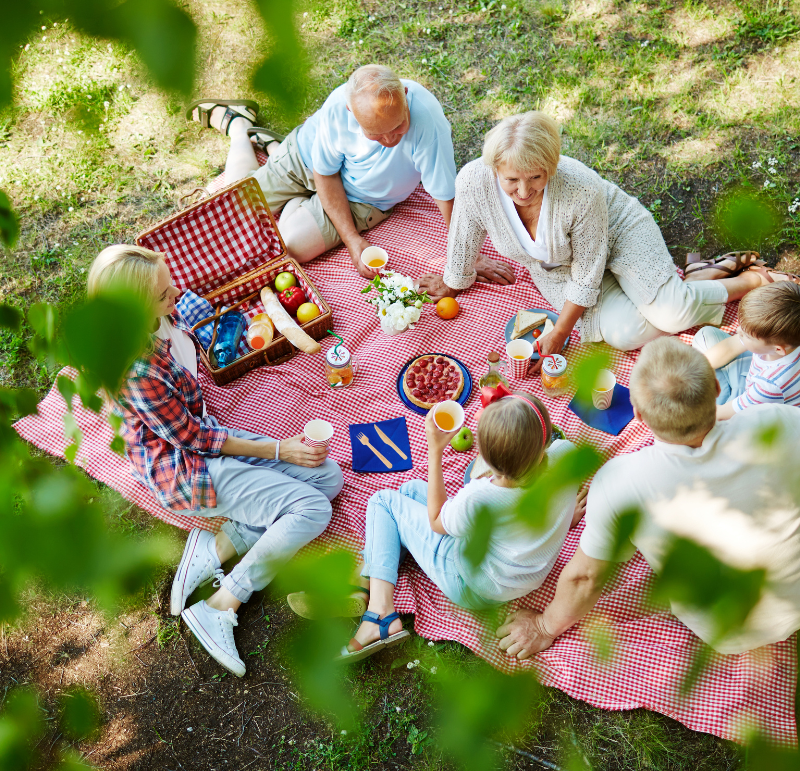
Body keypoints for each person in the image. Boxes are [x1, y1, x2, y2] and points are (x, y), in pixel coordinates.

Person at [87, 245, 343, 677]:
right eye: (164, 294)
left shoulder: (157, 318)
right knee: (313, 508)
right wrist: (280, 449)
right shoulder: (137, 372)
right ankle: (222, 603)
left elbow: (203, 327)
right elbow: (195, 439)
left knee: (328, 477)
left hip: (201, 436)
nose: (176, 295)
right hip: (183, 468)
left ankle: (218, 546)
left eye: (170, 285)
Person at [496, 337, 800, 658]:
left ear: (638, 415)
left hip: (730, 631)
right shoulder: (779, 419)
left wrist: (544, 627)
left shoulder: (620, 482)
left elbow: (586, 578)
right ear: (716, 388)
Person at [417, 111, 795, 359]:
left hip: (620, 232)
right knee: (626, 334)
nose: (524, 190)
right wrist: (453, 282)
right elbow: (463, 238)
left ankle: (750, 281)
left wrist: (561, 330)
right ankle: (691, 281)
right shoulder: (473, 182)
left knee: (672, 311)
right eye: (512, 179)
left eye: (536, 177)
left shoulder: (580, 187)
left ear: (552, 166)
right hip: (560, 268)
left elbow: (588, 272)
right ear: (495, 168)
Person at [188, 66, 511, 281]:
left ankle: (284, 185)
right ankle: (239, 128)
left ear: (405, 95)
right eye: (377, 134)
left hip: (363, 197)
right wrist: (353, 240)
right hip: (305, 158)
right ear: (350, 113)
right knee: (227, 210)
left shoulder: (428, 122)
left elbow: (446, 197)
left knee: (291, 245)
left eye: (399, 126)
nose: (390, 139)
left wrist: (469, 257)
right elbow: (325, 175)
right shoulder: (336, 110)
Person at [338, 388, 584, 664]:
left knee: (383, 502)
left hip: (471, 581)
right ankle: (373, 573)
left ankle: (380, 612)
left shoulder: (480, 496)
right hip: (522, 574)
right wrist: (565, 516)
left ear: (486, 462)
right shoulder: (567, 455)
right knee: (409, 491)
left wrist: (435, 449)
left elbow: (437, 520)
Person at [693, 282, 800, 420]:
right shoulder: (784, 340)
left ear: (778, 349)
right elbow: (730, 347)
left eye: (746, 335)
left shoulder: (771, 384)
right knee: (706, 335)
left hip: (762, 411)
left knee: (710, 414)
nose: (737, 331)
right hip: (754, 381)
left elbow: (723, 413)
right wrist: (694, 368)